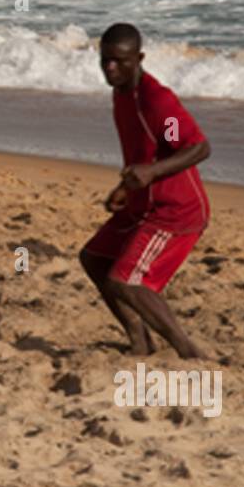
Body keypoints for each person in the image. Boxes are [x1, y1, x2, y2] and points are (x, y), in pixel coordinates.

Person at [79, 23, 210, 358]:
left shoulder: (158, 101)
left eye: (120, 61)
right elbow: (143, 151)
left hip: (174, 209)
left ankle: (187, 351)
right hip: (140, 204)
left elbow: (197, 147)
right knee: (95, 259)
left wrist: (151, 172)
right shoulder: (121, 92)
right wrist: (126, 187)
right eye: (105, 60)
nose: (111, 68)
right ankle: (140, 341)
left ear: (139, 58)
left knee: (127, 280)